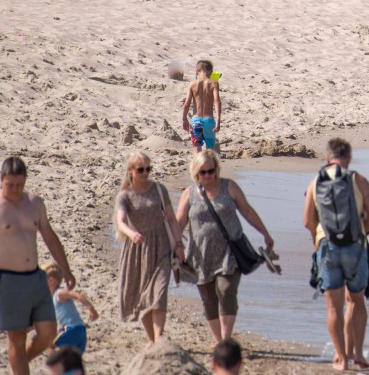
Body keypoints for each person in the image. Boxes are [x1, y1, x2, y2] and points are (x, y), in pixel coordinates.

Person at [0, 156, 76, 375]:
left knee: (47, 332)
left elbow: (50, 238)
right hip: (5, 280)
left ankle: (18, 362)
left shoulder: (35, 204)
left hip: (34, 277)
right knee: (17, 337)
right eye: (10, 185)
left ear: (25, 181)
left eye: (19, 185)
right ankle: (19, 365)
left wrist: (66, 269)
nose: (14, 190)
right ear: (1, 180)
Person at [302, 138, 369, 372]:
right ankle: (358, 354)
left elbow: (307, 220)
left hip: (327, 247)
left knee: (333, 307)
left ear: (327, 158)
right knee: (357, 300)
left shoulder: (315, 183)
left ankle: (341, 358)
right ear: (348, 158)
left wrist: (317, 242)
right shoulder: (358, 180)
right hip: (355, 246)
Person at [175, 149, 274, 343]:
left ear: (216, 170)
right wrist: (174, 246)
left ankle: (225, 339)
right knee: (209, 299)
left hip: (230, 253)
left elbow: (247, 211)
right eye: (202, 173)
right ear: (196, 173)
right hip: (200, 255)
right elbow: (179, 223)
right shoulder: (189, 194)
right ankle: (217, 339)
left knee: (226, 290)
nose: (207, 176)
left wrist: (265, 233)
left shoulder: (230, 187)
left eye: (211, 171)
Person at [114, 151, 181, 345]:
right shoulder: (125, 196)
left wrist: (179, 244)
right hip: (138, 249)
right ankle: (151, 339)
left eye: (148, 169)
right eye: (141, 170)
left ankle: (159, 337)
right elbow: (120, 220)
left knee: (159, 292)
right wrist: (131, 233)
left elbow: (171, 218)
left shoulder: (159, 189)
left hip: (161, 246)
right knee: (143, 294)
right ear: (131, 172)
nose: (145, 173)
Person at [43, 261, 97, 354]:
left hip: (72, 330)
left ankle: (59, 364)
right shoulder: (53, 297)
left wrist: (91, 309)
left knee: (47, 346)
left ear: (51, 281)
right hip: (81, 331)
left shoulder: (60, 293)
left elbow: (77, 296)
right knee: (74, 358)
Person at [182, 60, 222, 150]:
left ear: (197, 72)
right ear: (211, 72)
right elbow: (217, 101)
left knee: (197, 150)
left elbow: (186, 104)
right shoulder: (214, 83)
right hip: (209, 121)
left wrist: (184, 118)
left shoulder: (192, 84)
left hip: (196, 121)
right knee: (210, 151)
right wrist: (218, 120)